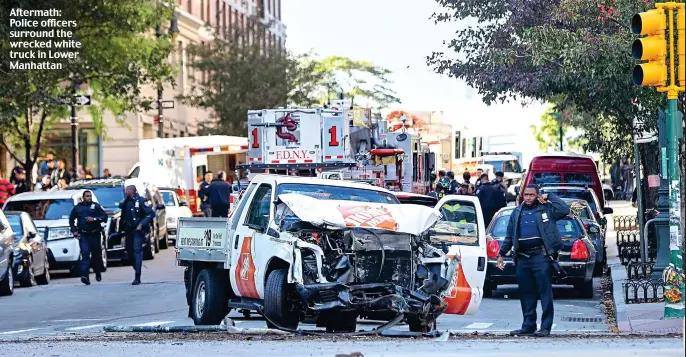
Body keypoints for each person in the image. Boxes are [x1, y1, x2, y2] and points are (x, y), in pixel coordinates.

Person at [496, 185, 569, 337]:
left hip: (541, 257)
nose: (528, 197)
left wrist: (548, 196)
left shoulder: (546, 208)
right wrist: (501, 254)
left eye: (531, 195)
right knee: (526, 293)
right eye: (526, 195)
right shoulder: (517, 212)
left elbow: (564, 209)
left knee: (544, 293)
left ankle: (545, 327)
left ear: (537, 195)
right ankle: (528, 325)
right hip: (522, 257)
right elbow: (509, 235)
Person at [69, 190, 108, 285]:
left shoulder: (96, 206)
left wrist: (94, 219)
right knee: (85, 254)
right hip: (83, 235)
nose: (89, 197)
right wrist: (74, 230)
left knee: (96, 255)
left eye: (90, 196)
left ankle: (97, 272)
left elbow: (105, 217)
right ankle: (85, 276)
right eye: (87, 196)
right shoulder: (78, 208)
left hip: (95, 234)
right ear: (83, 198)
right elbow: (71, 219)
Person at [119, 185, 155, 285]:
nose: (126, 192)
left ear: (132, 191)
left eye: (127, 190)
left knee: (137, 251)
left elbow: (151, 213)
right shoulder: (126, 202)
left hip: (138, 231)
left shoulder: (141, 201)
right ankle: (136, 267)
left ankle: (137, 276)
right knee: (129, 253)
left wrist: (141, 224)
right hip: (128, 231)